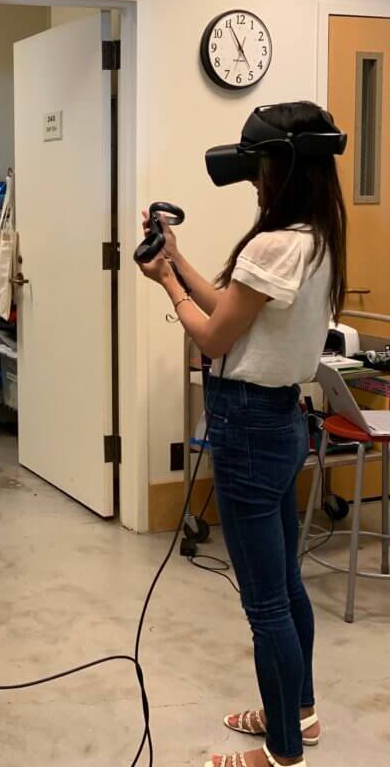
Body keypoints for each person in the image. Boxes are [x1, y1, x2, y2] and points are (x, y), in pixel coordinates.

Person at [137, 102, 348, 767]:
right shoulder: (316, 237)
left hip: (248, 428)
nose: (254, 179)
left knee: (266, 606)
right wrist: (178, 259)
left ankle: (283, 751)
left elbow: (213, 333)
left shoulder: (272, 242)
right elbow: (234, 303)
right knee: (285, 585)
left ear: (281, 168)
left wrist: (164, 282)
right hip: (283, 421)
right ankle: (299, 713)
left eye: (259, 166)